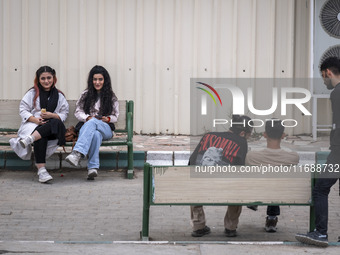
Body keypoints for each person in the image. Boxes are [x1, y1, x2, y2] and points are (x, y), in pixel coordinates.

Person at [295, 56, 340, 247]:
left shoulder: (336, 93)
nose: (323, 81)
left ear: (328, 72)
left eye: (323, 77)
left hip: (339, 151)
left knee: (320, 189)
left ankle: (320, 233)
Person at [189, 115, 253, 237]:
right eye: (249, 134)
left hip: (201, 189)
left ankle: (198, 226)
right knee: (238, 184)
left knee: (195, 180)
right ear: (243, 133)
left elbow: (191, 161)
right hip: (226, 190)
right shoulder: (242, 142)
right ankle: (230, 227)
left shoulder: (208, 135)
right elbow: (240, 170)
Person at [9, 66, 69, 183]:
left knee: (55, 122)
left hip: (54, 129)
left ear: (54, 78)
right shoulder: (32, 93)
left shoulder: (59, 95)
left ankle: (30, 139)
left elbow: (64, 114)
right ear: (38, 80)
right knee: (41, 135)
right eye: (43, 78)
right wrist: (35, 120)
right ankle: (42, 171)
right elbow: (23, 109)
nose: (46, 81)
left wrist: (52, 115)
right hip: (33, 125)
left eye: (49, 78)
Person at [65, 65, 119, 180]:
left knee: (94, 123)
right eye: (95, 79)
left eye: (100, 79)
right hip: (90, 127)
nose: (97, 82)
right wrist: (87, 118)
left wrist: (107, 119)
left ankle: (77, 153)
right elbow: (78, 112)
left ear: (105, 80)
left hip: (106, 129)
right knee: (95, 134)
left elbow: (115, 116)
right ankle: (92, 168)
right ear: (91, 80)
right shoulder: (85, 94)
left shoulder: (111, 96)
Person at [245, 119, 299, 232]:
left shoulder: (252, 156)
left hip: (258, 191)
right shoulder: (293, 157)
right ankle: (272, 217)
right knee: (276, 184)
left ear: (264, 135)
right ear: (283, 135)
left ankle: (254, 201)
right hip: (281, 193)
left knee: (266, 182)